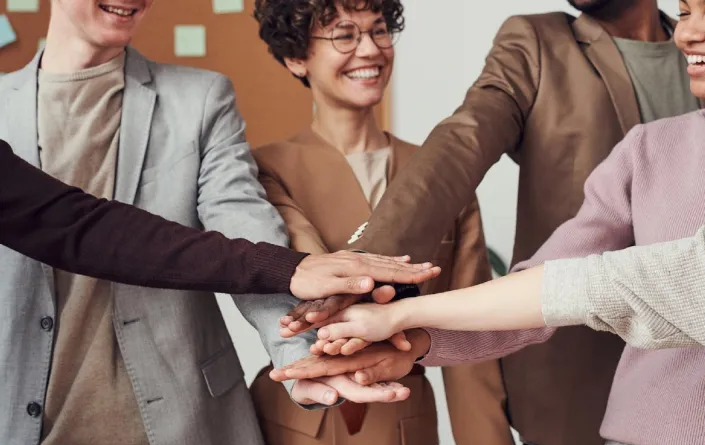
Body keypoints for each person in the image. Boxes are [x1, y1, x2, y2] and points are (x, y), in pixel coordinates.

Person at [271, 0, 705, 445]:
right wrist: (399, 317)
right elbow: (463, 146)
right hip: (617, 411)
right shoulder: (644, 140)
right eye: (686, 10)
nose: (691, 29)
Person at [0, 1, 414, 445]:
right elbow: (81, 228)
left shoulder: (200, 98)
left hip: (183, 424)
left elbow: (244, 222)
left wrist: (297, 359)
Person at [247, 1, 514, 445]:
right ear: (296, 58)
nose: (370, 49)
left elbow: (472, 335)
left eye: (379, 31)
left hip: (404, 421)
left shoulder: (441, 172)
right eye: (345, 35)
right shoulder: (264, 170)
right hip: (296, 423)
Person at [0, 138, 439, 299]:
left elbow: (76, 225)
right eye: (345, 35)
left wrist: (288, 268)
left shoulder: (424, 163)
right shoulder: (278, 161)